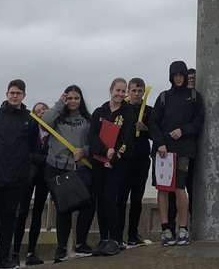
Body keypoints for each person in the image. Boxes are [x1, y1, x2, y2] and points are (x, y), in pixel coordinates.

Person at [0, 79, 37, 269]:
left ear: (24, 96)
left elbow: (34, 147)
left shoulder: (30, 119)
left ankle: (3, 259)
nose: (14, 96)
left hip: (17, 178)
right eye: (12, 92)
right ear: (6, 94)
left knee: (10, 217)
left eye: (18, 93)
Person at [149, 60, 203, 246]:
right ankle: (166, 229)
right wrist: (160, 144)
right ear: (171, 76)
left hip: (184, 150)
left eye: (181, 75)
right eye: (175, 75)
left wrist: (183, 130)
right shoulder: (163, 97)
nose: (179, 78)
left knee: (180, 188)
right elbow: (153, 122)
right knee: (163, 189)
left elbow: (199, 121)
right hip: (163, 151)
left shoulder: (195, 97)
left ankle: (182, 228)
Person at [41, 86, 95, 261]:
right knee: (63, 209)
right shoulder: (57, 117)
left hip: (80, 168)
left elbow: (95, 142)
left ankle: (80, 244)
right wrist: (58, 103)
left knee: (87, 206)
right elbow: (43, 123)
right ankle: (62, 248)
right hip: (57, 167)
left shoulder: (88, 119)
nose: (72, 101)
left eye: (76, 98)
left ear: (81, 100)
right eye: (69, 98)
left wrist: (84, 151)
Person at [90, 78, 131, 255]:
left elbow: (127, 140)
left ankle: (115, 238)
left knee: (110, 198)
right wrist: (104, 151)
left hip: (117, 164)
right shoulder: (100, 112)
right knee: (100, 199)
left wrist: (113, 159)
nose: (120, 94)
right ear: (111, 90)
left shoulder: (128, 113)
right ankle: (103, 238)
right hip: (99, 162)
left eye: (123, 91)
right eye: (118, 90)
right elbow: (92, 137)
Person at [11, 101, 50, 266]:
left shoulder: (54, 132)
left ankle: (31, 252)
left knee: (38, 213)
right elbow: (26, 151)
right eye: (38, 111)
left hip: (44, 176)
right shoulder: (31, 129)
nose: (42, 113)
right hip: (27, 175)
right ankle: (14, 253)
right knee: (22, 213)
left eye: (44, 110)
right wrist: (43, 157)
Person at [118, 78, 152, 247]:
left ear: (143, 92)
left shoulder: (149, 110)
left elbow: (157, 132)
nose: (137, 94)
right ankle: (118, 236)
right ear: (128, 92)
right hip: (124, 160)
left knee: (137, 198)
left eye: (140, 91)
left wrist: (146, 129)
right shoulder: (121, 110)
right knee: (121, 198)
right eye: (133, 90)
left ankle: (133, 234)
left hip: (141, 159)